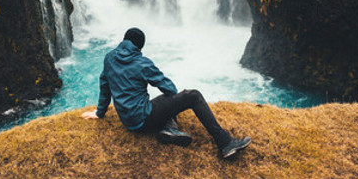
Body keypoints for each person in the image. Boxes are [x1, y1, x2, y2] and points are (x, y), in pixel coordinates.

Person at [81, 27, 251, 159]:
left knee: (162, 102)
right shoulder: (142, 63)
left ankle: (169, 129)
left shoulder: (109, 58)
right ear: (140, 47)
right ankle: (225, 143)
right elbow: (169, 89)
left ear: (124, 40)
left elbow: (105, 86)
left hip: (128, 121)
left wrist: (99, 112)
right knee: (193, 95)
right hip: (143, 118)